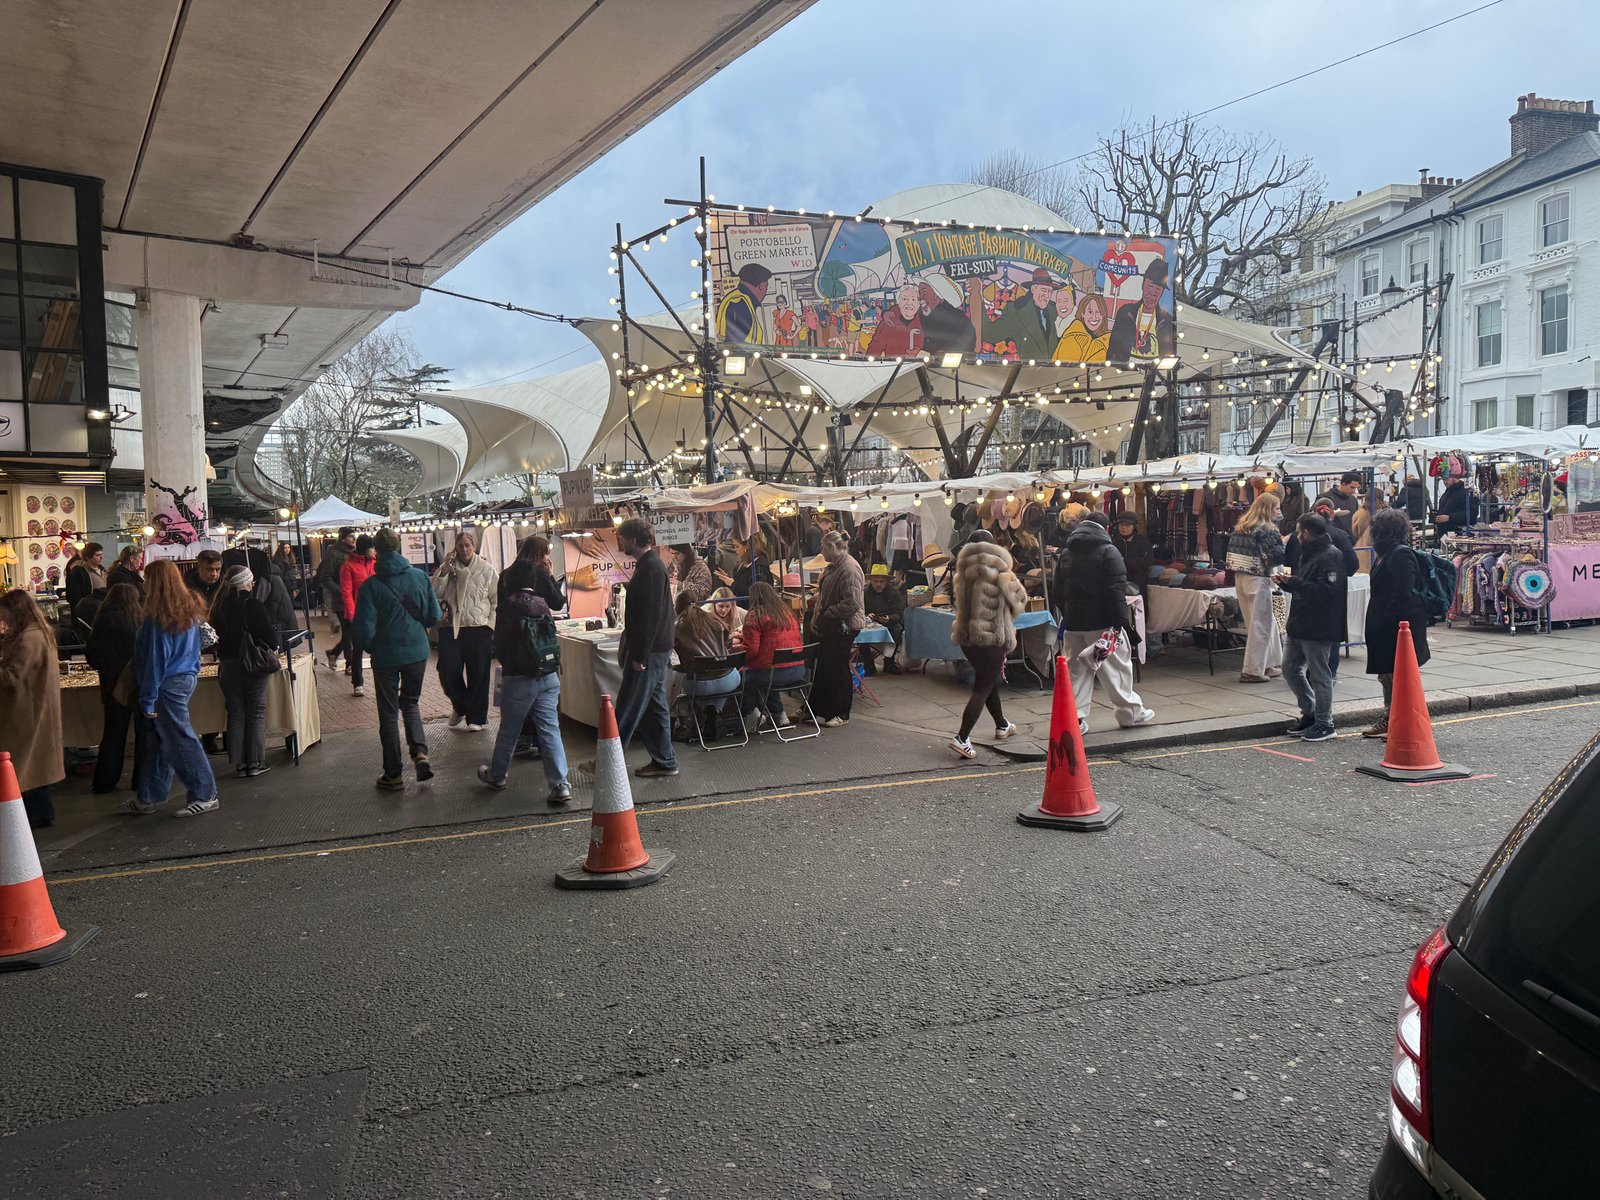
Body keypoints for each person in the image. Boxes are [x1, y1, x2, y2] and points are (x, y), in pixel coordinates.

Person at [351, 528, 442, 790]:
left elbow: (363, 629)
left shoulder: (371, 585)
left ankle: (393, 774)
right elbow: (433, 615)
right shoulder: (419, 577)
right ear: (399, 546)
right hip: (417, 652)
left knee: (389, 714)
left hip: (386, 656)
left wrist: (373, 647)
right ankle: (420, 753)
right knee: (411, 703)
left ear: (377, 551)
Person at [131, 559, 219, 817]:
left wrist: (147, 698)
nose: (144, 584)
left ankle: (205, 794)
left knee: (180, 739)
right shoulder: (187, 610)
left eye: (147, 579)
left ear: (154, 582)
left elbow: (155, 661)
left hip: (168, 684)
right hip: (185, 678)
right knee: (163, 739)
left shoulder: (157, 618)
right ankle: (149, 797)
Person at [1054, 514, 1154, 734]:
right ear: (1106, 527)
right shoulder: (1109, 552)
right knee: (1116, 669)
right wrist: (1119, 623)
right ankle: (1130, 713)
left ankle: (1075, 720)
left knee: (1076, 672)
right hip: (1103, 622)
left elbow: (1058, 591)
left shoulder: (1066, 553)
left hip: (1073, 623)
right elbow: (1115, 590)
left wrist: (1068, 613)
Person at [478, 567, 571, 804]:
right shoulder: (542, 604)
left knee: (510, 729)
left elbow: (500, 644)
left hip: (519, 678)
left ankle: (497, 776)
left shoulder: (508, 606)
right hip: (548, 676)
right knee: (550, 729)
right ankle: (559, 784)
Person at [946, 531, 1028, 758]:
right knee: (982, 687)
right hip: (992, 638)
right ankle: (961, 737)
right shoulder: (1000, 570)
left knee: (988, 680)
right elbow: (1020, 600)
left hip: (968, 638)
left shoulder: (962, 573)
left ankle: (1002, 724)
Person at [1272, 515, 1348, 742]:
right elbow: (1307, 586)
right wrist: (1288, 582)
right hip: (1300, 621)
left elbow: (1327, 591)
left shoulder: (1331, 555)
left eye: (1297, 531)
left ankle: (1325, 723)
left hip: (1319, 625)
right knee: (1289, 667)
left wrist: (1293, 582)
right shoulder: (1310, 552)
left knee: (1319, 674)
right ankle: (1310, 712)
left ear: (1305, 532)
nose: (1296, 535)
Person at [613, 517, 678, 777]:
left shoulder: (650, 568)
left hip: (649, 651)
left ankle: (608, 760)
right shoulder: (651, 566)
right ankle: (665, 761)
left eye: (622, 537)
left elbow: (650, 615)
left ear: (633, 539)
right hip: (655, 648)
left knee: (628, 706)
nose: (619, 542)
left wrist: (639, 655)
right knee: (654, 707)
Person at [1363, 508, 1431, 741]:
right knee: (1387, 675)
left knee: (1399, 677)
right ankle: (1392, 719)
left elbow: (1403, 594)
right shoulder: (1385, 553)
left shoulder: (1401, 555)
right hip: (1385, 626)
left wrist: (1386, 621)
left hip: (1397, 628)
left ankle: (1402, 722)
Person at [0, 589, 64, 828]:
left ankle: (38, 815)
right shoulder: (40, 633)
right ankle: (38, 813)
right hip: (35, 707)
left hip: (24, 712)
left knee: (26, 765)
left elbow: (11, 676)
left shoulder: (28, 638)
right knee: (34, 765)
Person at [209, 563, 277, 778]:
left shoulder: (219, 606)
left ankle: (239, 763)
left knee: (236, 713)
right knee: (255, 712)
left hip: (227, 665)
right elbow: (270, 638)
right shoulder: (253, 605)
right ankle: (254, 762)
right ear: (247, 582)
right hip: (252, 664)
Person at [86, 583, 150, 795]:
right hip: (137, 683)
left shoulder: (102, 620)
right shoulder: (139, 621)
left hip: (111, 685)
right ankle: (141, 780)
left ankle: (105, 781)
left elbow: (92, 655)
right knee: (143, 733)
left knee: (113, 733)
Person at [432, 531, 497, 731]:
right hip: (451, 627)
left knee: (479, 674)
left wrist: (490, 625)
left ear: (474, 546)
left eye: (468, 545)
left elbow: (496, 599)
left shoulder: (487, 569)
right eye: (461, 546)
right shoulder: (448, 569)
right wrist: (444, 570)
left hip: (479, 628)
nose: (464, 550)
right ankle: (460, 706)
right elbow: (435, 593)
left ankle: (476, 718)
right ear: (455, 548)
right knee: (447, 671)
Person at [1226, 491, 1285, 684]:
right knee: (1261, 625)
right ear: (1268, 509)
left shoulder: (1242, 526)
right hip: (1258, 578)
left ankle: (1269, 662)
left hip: (1241, 577)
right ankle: (1252, 670)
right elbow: (1275, 557)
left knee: (1260, 623)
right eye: (1276, 508)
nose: (1279, 511)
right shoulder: (1267, 529)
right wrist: (1284, 543)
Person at [809, 530, 864, 728]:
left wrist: (828, 613)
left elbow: (852, 603)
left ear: (832, 547)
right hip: (834, 625)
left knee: (838, 668)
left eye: (824, 548)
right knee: (826, 667)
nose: (821, 552)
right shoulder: (834, 567)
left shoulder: (849, 569)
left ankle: (841, 712)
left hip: (844, 626)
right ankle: (817, 708)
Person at [673, 592, 742, 741]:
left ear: (677, 607)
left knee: (685, 685)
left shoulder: (677, 627)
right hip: (729, 679)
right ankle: (715, 713)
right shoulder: (714, 620)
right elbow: (728, 645)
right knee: (713, 685)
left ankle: (707, 713)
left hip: (700, 683)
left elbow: (671, 656)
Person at [740, 581, 804, 731]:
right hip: (798, 670)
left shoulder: (755, 616)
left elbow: (752, 650)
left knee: (743, 679)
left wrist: (737, 655)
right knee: (768, 678)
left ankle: (752, 715)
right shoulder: (787, 614)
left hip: (773, 672)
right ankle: (779, 716)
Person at [1106, 257, 1176, 362]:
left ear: (1162, 293)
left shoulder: (1167, 320)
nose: (1153, 293)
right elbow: (1113, 350)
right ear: (1143, 285)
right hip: (1125, 373)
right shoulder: (1125, 313)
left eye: (1158, 289)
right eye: (1150, 286)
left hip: (1157, 373)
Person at [988, 268, 1059, 360]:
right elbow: (993, 334)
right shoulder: (1016, 310)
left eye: (1050, 291)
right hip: (1026, 370)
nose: (1047, 295)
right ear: (1033, 289)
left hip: (1056, 370)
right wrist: (977, 298)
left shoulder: (1055, 309)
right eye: (1044, 290)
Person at [340, 534, 377, 697]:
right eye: (372, 547)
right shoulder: (348, 566)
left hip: (376, 613)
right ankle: (358, 682)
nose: (374, 550)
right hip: (358, 614)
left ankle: (382, 679)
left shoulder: (376, 564)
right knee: (358, 650)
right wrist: (352, 614)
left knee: (378, 647)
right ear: (365, 549)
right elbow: (347, 592)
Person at [318, 527, 356, 669]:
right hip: (340, 598)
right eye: (351, 536)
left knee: (351, 632)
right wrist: (341, 591)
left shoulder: (354, 553)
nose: (354, 539)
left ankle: (334, 653)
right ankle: (349, 664)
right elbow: (325, 577)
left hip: (353, 598)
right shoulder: (334, 554)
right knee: (347, 631)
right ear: (343, 538)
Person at [500, 534, 565, 611]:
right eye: (546, 554)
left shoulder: (505, 574)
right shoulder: (540, 575)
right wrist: (551, 576)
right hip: (534, 621)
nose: (548, 558)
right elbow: (557, 604)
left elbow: (500, 602)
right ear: (540, 555)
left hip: (508, 620)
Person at [862, 563, 905, 674]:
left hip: (889, 623)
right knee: (857, 630)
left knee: (897, 629)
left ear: (886, 581)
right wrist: (867, 616)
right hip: (868, 623)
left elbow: (899, 613)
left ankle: (889, 662)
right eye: (876, 581)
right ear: (871, 581)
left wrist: (889, 618)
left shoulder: (894, 593)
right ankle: (868, 664)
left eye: (881, 582)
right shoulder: (864, 593)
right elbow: (858, 610)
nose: (879, 584)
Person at [715, 262, 771, 344]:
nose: (766, 291)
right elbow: (735, 341)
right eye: (766, 286)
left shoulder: (737, 298)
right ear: (761, 286)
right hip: (741, 355)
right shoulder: (739, 303)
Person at [865, 281, 924, 357]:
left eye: (913, 300)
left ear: (918, 304)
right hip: (894, 367)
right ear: (898, 302)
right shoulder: (887, 323)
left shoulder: (925, 322)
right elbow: (874, 349)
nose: (909, 303)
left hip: (920, 367)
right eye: (905, 299)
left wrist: (919, 354)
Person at [1054, 294, 1111, 363]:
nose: (1094, 317)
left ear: (1103, 315)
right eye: (1090, 312)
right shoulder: (1071, 337)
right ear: (1082, 313)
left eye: (1098, 312)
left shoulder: (1109, 342)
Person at [715, 533, 771, 598]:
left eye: (737, 546)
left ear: (746, 546)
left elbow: (755, 594)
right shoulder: (744, 565)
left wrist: (732, 584)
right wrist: (727, 578)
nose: (735, 550)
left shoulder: (759, 569)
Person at [1111, 513, 1153, 593]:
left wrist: (1127, 562)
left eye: (1127, 525)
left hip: (1137, 580)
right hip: (1117, 580)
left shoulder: (1142, 542)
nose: (1124, 528)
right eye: (1121, 525)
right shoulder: (1114, 541)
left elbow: (1148, 561)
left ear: (1134, 527)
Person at [66, 541, 107, 607]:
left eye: (101, 554)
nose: (102, 557)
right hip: (87, 611)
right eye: (97, 555)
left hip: (103, 609)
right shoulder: (79, 573)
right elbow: (74, 597)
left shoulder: (104, 570)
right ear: (88, 557)